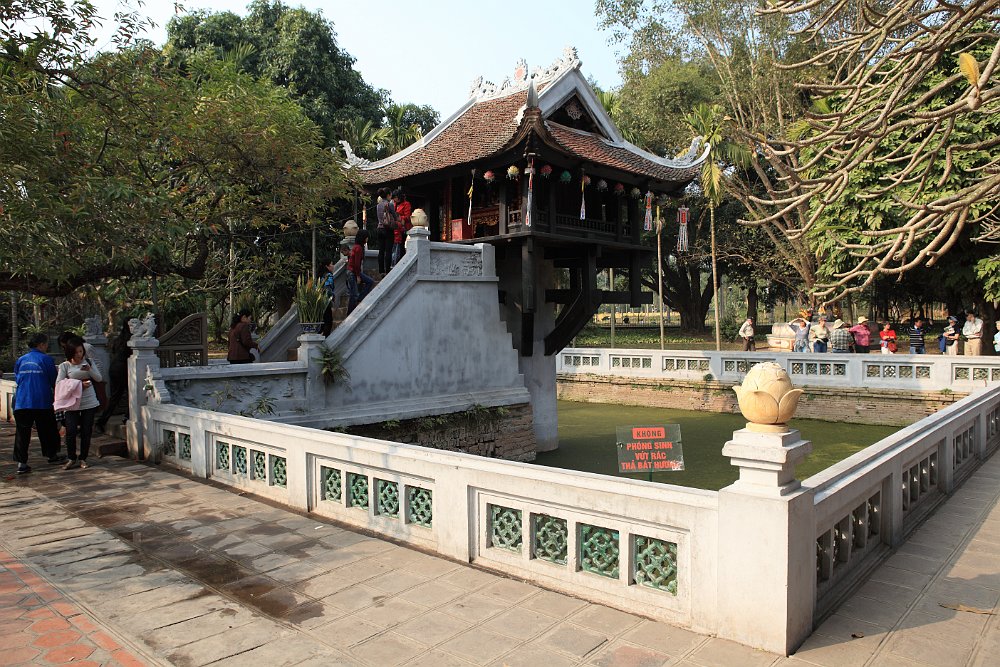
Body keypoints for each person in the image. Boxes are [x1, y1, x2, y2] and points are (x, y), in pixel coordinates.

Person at [11, 334, 63, 474]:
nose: (47, 346)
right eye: (46, 344)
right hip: (42, 401)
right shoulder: (46, 359)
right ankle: (52, 455)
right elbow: (54, 380)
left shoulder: (21, 360)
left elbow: (18, 378)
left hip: (22, 402)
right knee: (48, 430)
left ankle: (22, 464)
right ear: (41, 345)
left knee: (22, 433)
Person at [57, 340, 103, 470]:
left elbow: (99, 378)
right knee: (71, 431)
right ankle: (71, 457)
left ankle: (83, 458)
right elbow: (59, 383)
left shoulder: (88, 362)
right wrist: (78, 385)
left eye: (81, 351)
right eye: (76, 352)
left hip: (89, 401)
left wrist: (90, 370)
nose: (79, 354)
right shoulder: (65, 366)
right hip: (72, 402)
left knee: (86, 431)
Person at [95, 319, 132, 433]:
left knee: (116, 396)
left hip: (115, 367)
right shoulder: (131, 339)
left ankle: (124, 417)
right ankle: (102, 421)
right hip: (123, 369)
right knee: (129, 395)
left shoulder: (119, 339)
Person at [347, 230, 375, 313]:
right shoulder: (358, 248)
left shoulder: (356, 246)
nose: (367, 239)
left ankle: (359, 299)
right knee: (354, 294)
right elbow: (357, 264)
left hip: (352, 271)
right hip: (353, 272)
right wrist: (358, 276)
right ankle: (350, 312)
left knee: (369, 282)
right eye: (366, 237)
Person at [375, 188, 396, 274]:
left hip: (380, 228)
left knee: (381, 251)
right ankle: (387, 270)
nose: (391, 197)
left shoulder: (378, 205)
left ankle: (381, 271)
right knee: (388, 251)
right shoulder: (389, 204)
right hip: (388, 229)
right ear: (388, 195)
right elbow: (394, 216)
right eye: (390, 195)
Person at [392, 192, 412, 266]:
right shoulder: (394, 204)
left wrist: (398, 217)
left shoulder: (406, 204)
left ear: (399, 197)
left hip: (402, 228)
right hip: (394, 227)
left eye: (395, 197)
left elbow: (407, 216)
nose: (394, 199)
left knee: (400, 245)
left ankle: (400, 263)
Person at [320, 259, 337, 337]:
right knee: (328, 320)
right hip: (326, 300)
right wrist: (332, 296)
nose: (333, 266)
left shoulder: (320, 275)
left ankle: (320, 335)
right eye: (331, 264)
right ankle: (325, 337)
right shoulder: (328, 275)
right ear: (327, 266)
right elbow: (327, 288)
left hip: (319, 301)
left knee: (323, 320)